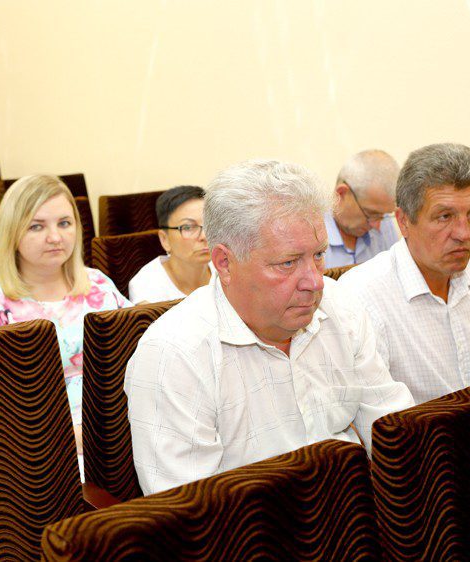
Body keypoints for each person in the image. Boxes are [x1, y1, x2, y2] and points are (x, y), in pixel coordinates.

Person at [125, 159, 414, 495]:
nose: (315, 282)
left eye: (319, 255)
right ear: (225, 263)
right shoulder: (174, 356)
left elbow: (393, 432)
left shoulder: (340, 306)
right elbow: (191, 510)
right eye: (288, 262)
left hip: (353, 508)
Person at [337, 143, 470, 404]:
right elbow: (377, 419)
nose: (464, 233)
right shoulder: (362, 295)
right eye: (444, 216)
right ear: (404, 221)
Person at [0, 175, 130, 477]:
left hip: (118, 425)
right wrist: (73, 436)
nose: (55, 237)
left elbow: (138, 351)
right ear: (12, 233)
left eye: (64, 223)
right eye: (37, 227)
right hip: (40, 447)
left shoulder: (98, 284)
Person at [128, 185, 212, 303]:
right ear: (165, 239)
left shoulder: (228, 266)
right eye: (188, 227)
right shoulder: (146, 286)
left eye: (209, 224)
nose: (204, 236)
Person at [324, 149, 400, 268]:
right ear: (341, 194)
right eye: (370, 214)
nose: (377, 225)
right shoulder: (311, 235)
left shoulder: (384, 222)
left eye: (383, 215)